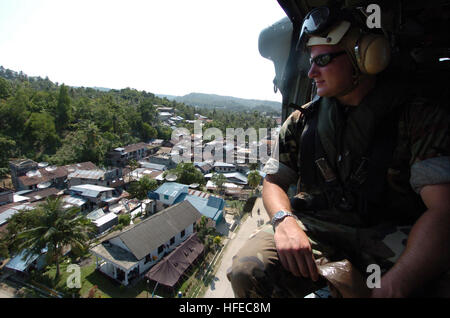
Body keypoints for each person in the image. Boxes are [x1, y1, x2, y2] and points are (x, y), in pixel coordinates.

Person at [227, 7, 450, 298]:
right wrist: (284, 220)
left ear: (365, 58)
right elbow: (273, 180)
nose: (311, 72)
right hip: (318, 228)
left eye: (323, 60)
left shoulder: (418, 118)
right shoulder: (302, 121)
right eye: (310, 61)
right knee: (246, 270)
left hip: (390, 233)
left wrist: (401, 279)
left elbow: (443, 210)